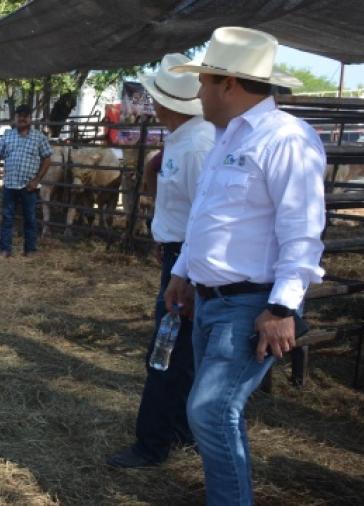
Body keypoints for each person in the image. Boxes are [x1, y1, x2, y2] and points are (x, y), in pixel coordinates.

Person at [164, 27, 326, 505]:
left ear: (228, 85)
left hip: (251, 303)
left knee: (212, 412)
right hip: (213, 300)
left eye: (203, 82)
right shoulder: (227, 137)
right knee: (211, 411)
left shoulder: (286, 139)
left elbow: (303, 230)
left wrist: (281, 308)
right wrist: (183, 272)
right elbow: (208, 218)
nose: (198, 93)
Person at [107, 53, 215, 468]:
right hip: (178, 255)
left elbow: (204, 220)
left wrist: (184, 270)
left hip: (187, 263)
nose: (151, 104)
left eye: (154, 97)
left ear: (166, 102)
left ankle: (152, 444)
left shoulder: (197, 147)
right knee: (180, 353)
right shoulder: (183, 140)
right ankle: (181, 432)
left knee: (166, 354)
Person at [0, 104, 53, 257]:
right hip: (10, 184)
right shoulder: (7, 135)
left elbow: (47, 158)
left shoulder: (39, 137)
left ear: (30, 119)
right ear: (15, 118)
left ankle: (30, 250)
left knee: (30, 218)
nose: (22, 118)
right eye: (19, 115)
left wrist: (37, 179)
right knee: (7, 217)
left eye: (25, 115)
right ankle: (5, 249)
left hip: (29, 186)